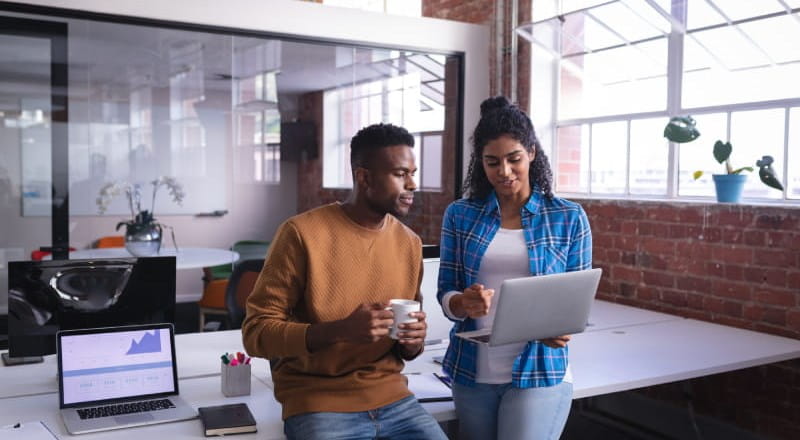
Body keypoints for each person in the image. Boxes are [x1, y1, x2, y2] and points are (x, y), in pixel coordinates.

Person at [242, 123, 448, 440]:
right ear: (363, 177)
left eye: (413, 173)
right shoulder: (301, 234)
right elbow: (256, 333)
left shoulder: (409, 243)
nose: (413, 184)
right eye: (400, 174)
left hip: (392, 397)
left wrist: (413, 340)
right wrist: (340, 330)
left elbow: (407, 349)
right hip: (317, 399)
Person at [437, 96, 592, 440]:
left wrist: (561, 327)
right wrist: (462, 302)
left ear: (532, 153)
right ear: (481, 163)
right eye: (492, 162)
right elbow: (445, 292)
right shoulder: (460, 215)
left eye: (514, 159)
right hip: (472, 371)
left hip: (540, 368)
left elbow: (577, 301)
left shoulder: (567, 217)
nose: (504, 172)